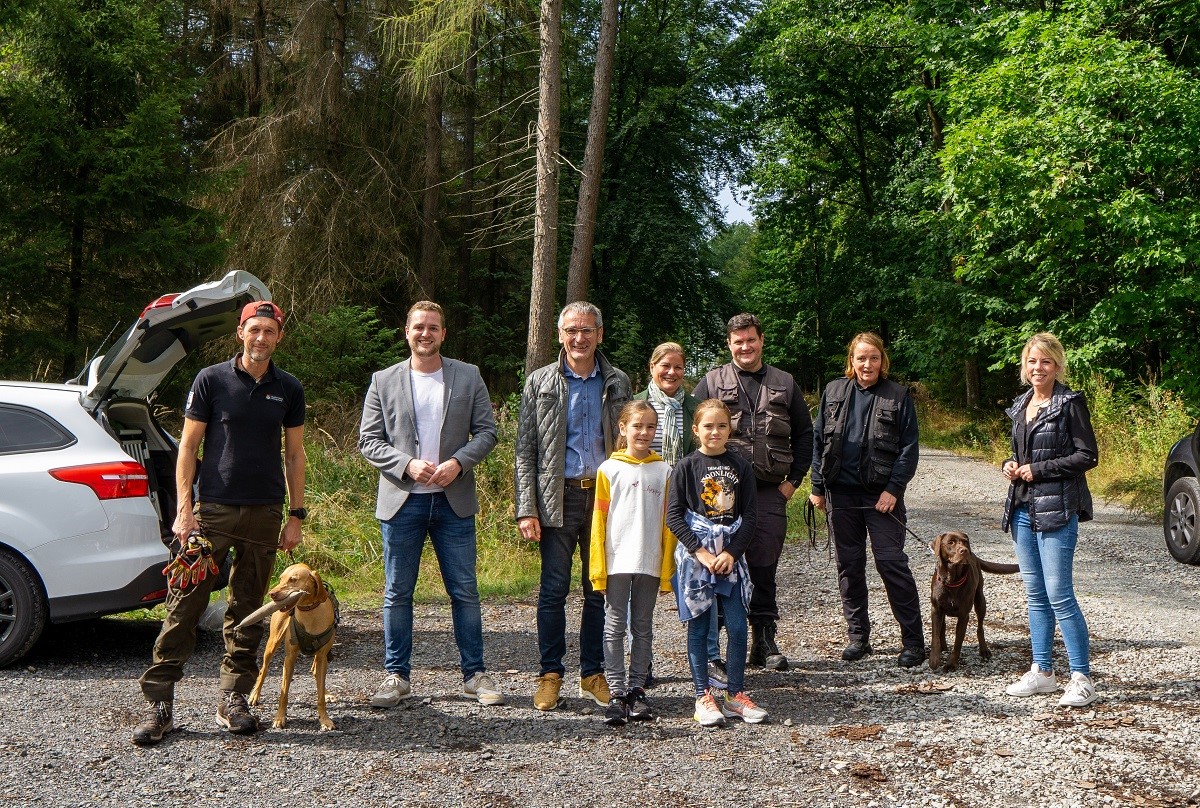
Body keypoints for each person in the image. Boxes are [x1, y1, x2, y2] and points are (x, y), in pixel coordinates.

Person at [132, 301, 306, 745]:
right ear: (240, 333)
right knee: (185, 604)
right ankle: (160, 703)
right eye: (254, 330)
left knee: (248, 608)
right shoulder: (211, 379)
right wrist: (184, 511)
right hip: (213, 511)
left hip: (265, 512)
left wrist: (295, 515)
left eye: (269, 331)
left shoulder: (288, 388)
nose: (261, 338)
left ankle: (234, 699)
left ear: (279, 337)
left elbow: (295, 454)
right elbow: (187, 449)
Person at [358, 301, 503, 708]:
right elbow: (368, 440)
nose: (426, 334)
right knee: (397, 593)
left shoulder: (468, 376)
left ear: (443, 334)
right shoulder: (383, 380)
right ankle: (396, 677)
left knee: (465, 591)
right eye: (419, 327)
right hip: (402, 503)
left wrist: (459, 462)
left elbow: (488, 432)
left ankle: (474, 676)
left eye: (433, 328)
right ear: (407, 332)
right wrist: (407, 464)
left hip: (452, 502)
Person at [514, 302, 632, 710]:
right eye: (570, 331)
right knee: (553, 590)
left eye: (586, 330)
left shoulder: (618, 381)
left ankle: (592, 672)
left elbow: (630, 445)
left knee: (598, 587)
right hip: (556, 496)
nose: (578, 338)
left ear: (600, 334)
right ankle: (550, 674)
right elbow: (525, 449)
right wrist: (526, 507)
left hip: (605, 498)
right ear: (559, 335)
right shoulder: (540, 382)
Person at [693, 313, 814, 670]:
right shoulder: (712, 382)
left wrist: (793, 482)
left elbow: (805, 436)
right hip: (720, 493)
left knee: (763, 565)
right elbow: (694, 435)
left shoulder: (785, 382)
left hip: (768, 491)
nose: (745, 347)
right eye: (738, 341)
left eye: (751, 340)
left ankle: (763, 640)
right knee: (718, 564)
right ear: (729, 344)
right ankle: (714, 646)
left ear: (761, 340)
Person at [810, 332, 924, 668]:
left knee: (891, 563)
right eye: (861, 358)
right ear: (852, 361)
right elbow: (818, 441)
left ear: (882, 360)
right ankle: (858, 637)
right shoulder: (834, 391)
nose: (867, 364)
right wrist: (817, 487)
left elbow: (909, 448)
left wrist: (894, 489)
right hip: (840, 495)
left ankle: (914, 642)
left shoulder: (898, 395)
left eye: (873, 358)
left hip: (882, 497)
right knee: (849, 565)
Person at [1001, 332, 1099, 707]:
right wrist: (1010, 465)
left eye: (1045, 362)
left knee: (1060, 595)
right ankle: (1042, 671)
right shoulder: (1021, 403)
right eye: (1031, 361)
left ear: (1057, 366)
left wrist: (1037, 469)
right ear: (1024, 367)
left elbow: (1087, 455)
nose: (1037, 368)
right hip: (1023, 508)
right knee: (1035, 595)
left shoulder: (1069, 403)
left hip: (1058, 509)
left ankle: (1081, 676)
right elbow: (1020, 454)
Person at [667, 399, 766, 726]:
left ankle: (734, 694)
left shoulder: (741, 466)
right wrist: (702, 552)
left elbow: (750, 516)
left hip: (730, 560)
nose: (715, 432)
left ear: (730, 429)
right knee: (699, 627)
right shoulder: (685, 467)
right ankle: (703, 696)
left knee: (737, 627)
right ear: (696, 430)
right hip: (698, 561)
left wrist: (730, 553)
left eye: (721, 426)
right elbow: (674, 517)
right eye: (708, 426)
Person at [635, 342, 727, 690]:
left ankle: (709, 657)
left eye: (678, 367)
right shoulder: (637, 406)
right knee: (640, 583)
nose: (671, 373)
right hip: (646, 504)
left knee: (700, 581)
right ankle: (640, 663)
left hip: (689, 508)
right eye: (665, 366)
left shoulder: (694, 408)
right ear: (652, 367)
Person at [588, 401, 675, 725]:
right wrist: (598, 566)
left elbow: (669, 523)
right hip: (617, 560)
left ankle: (638, 689)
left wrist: (667, 568)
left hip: (649, 560)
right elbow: (599, 521)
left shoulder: (664, 471)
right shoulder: (608, 470)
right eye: (637, 426)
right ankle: (616, 692)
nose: (643, 432)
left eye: (650, 426)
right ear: (623, 428)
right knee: (614, 626)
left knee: (642, 626)